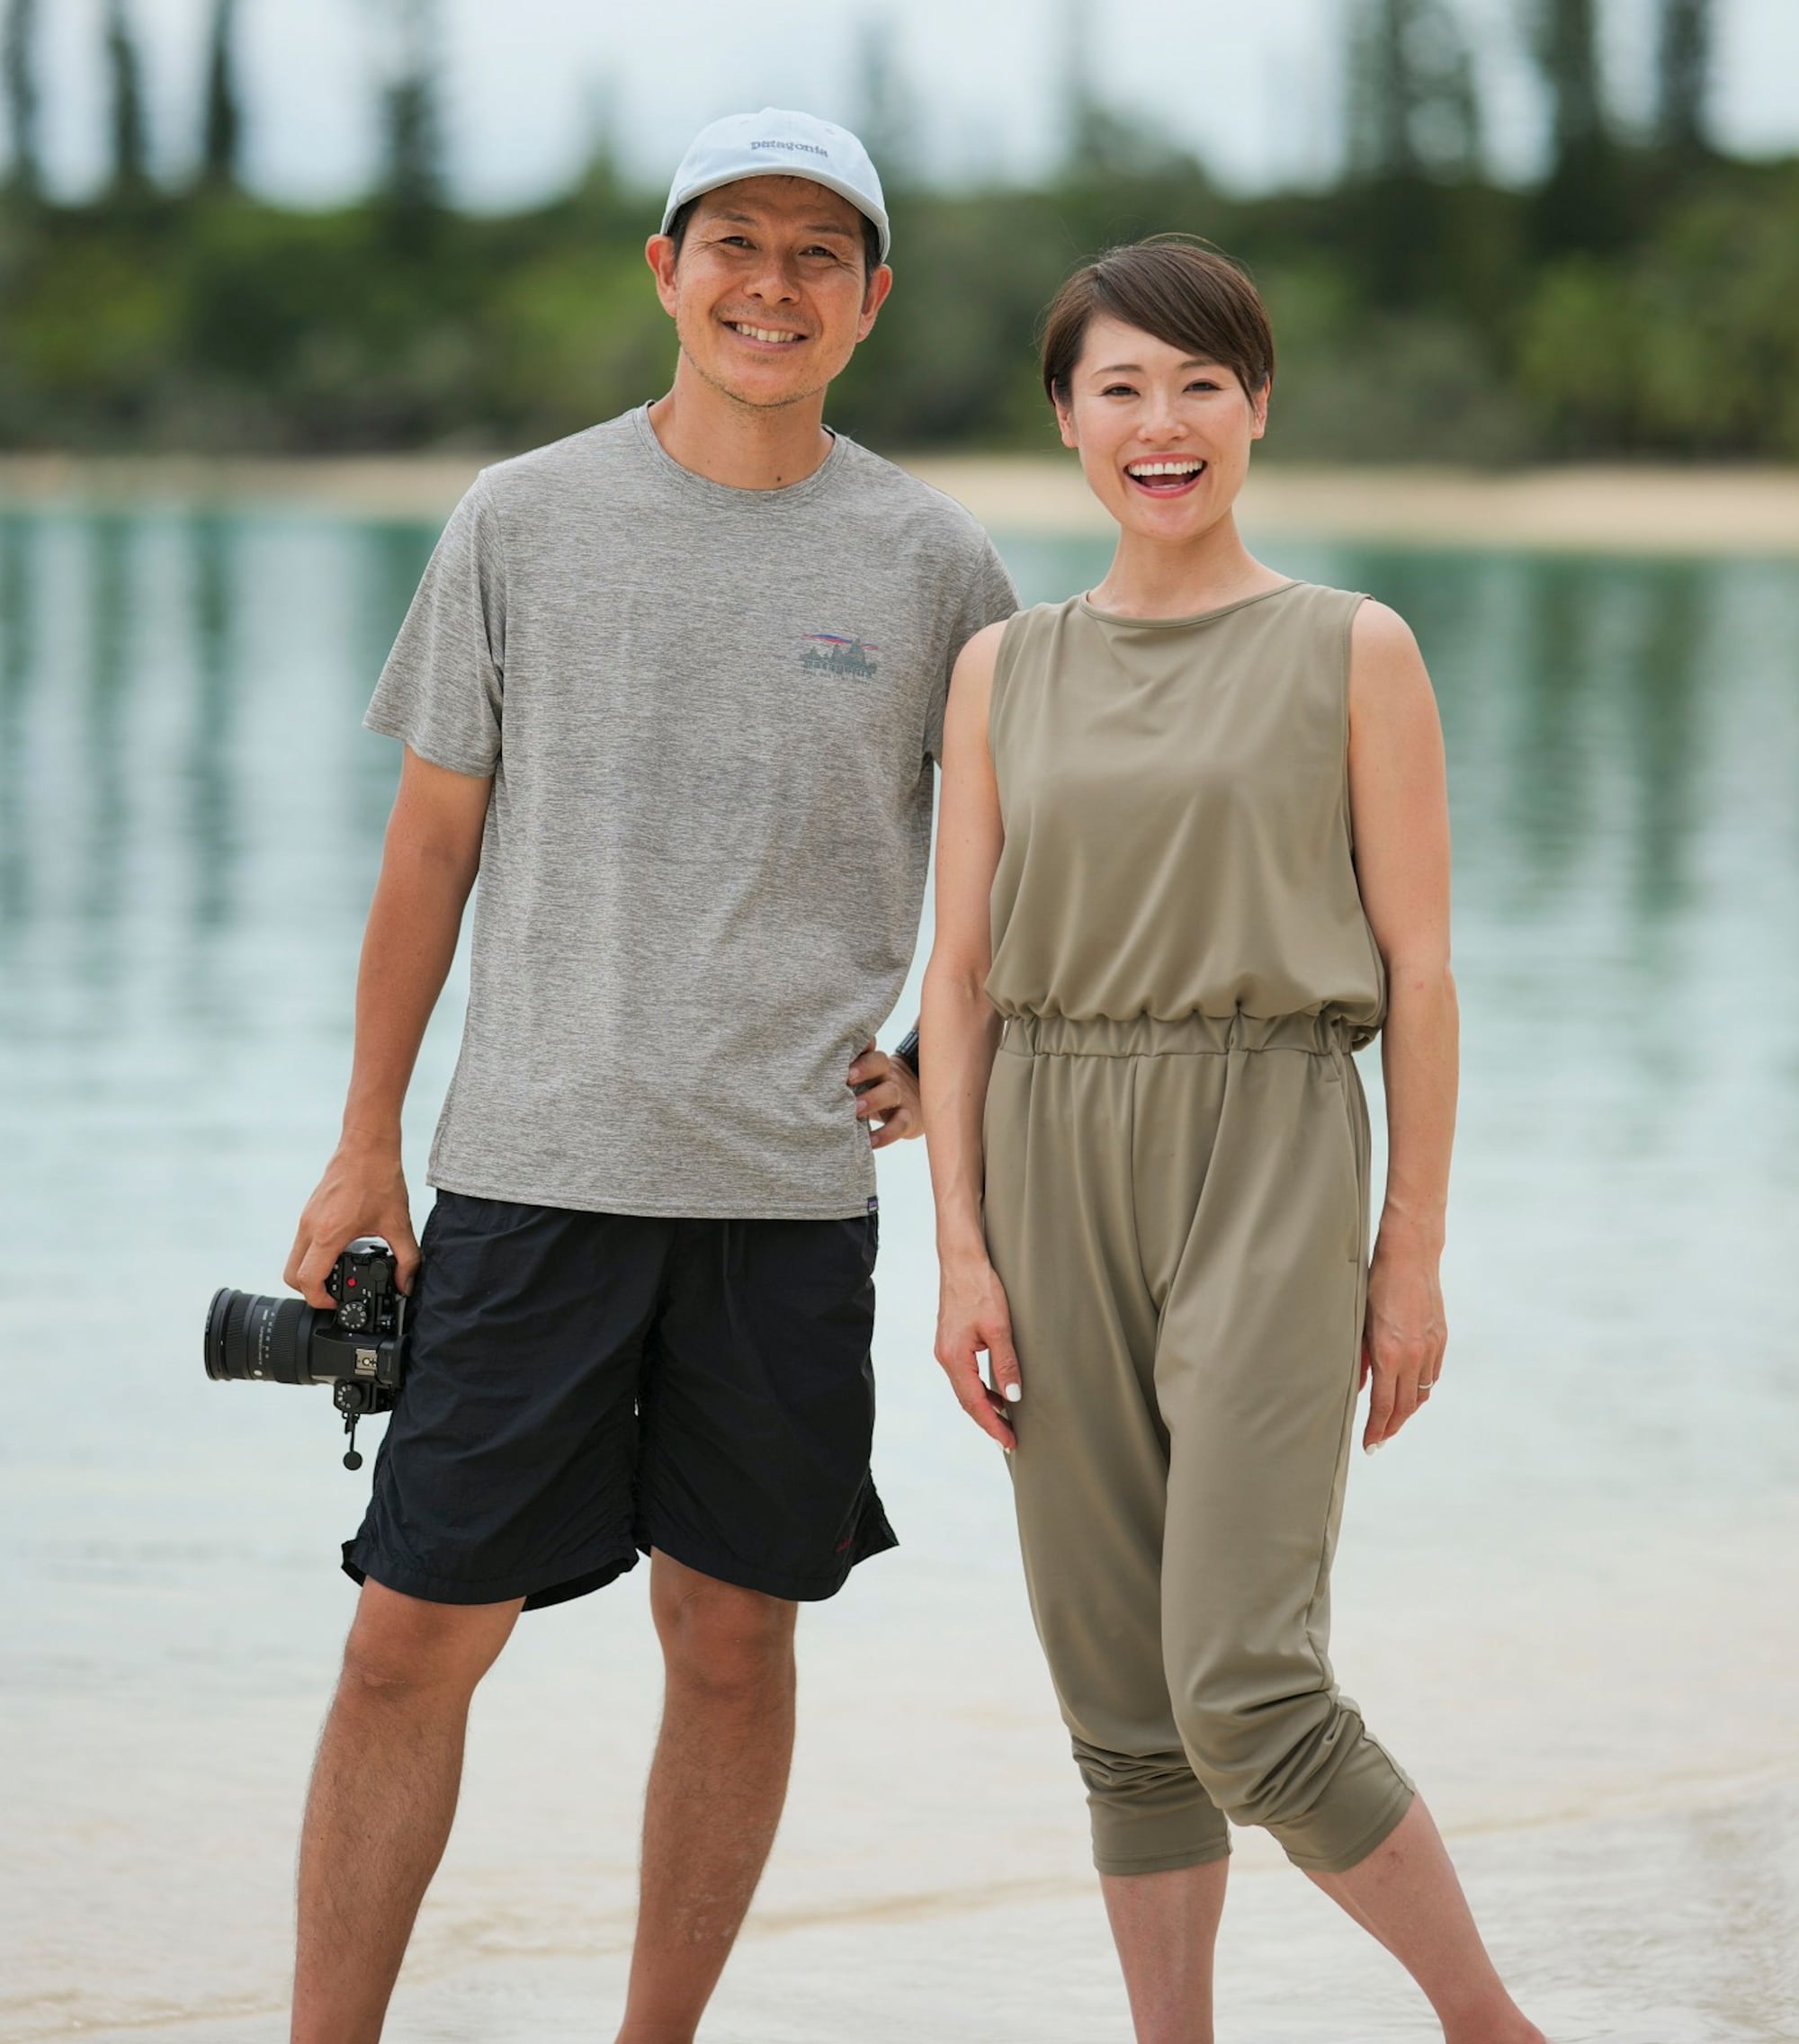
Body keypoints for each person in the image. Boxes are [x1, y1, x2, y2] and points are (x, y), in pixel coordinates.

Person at [281, 108, 1016, 2044]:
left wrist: (943, 1056)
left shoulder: (935, 560)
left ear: (868, 303)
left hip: (785, 1198)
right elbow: (427, 847)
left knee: (734, 1637)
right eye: (734, 246)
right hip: (531, 1168)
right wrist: (366, 1145)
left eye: (815, 257)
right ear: (665, 272)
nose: (770, 287)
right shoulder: (520, 518)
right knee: (405, 1641)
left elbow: (1023, 859)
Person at [920, 236, 1544, 2044]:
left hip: (1272, 1145)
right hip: (1046, 1156)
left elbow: (1420, 971)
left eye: (1200, 383)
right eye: (1118, 387)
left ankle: (1487, 2026)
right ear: (1065, 422)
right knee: (1119, 1705)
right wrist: (961, 1245)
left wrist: (1407, 1251)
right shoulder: (999, 669)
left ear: (1257, 407)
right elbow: (955, 977)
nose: (1162, 422)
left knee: (1244, 1690)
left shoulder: (1351, 647)